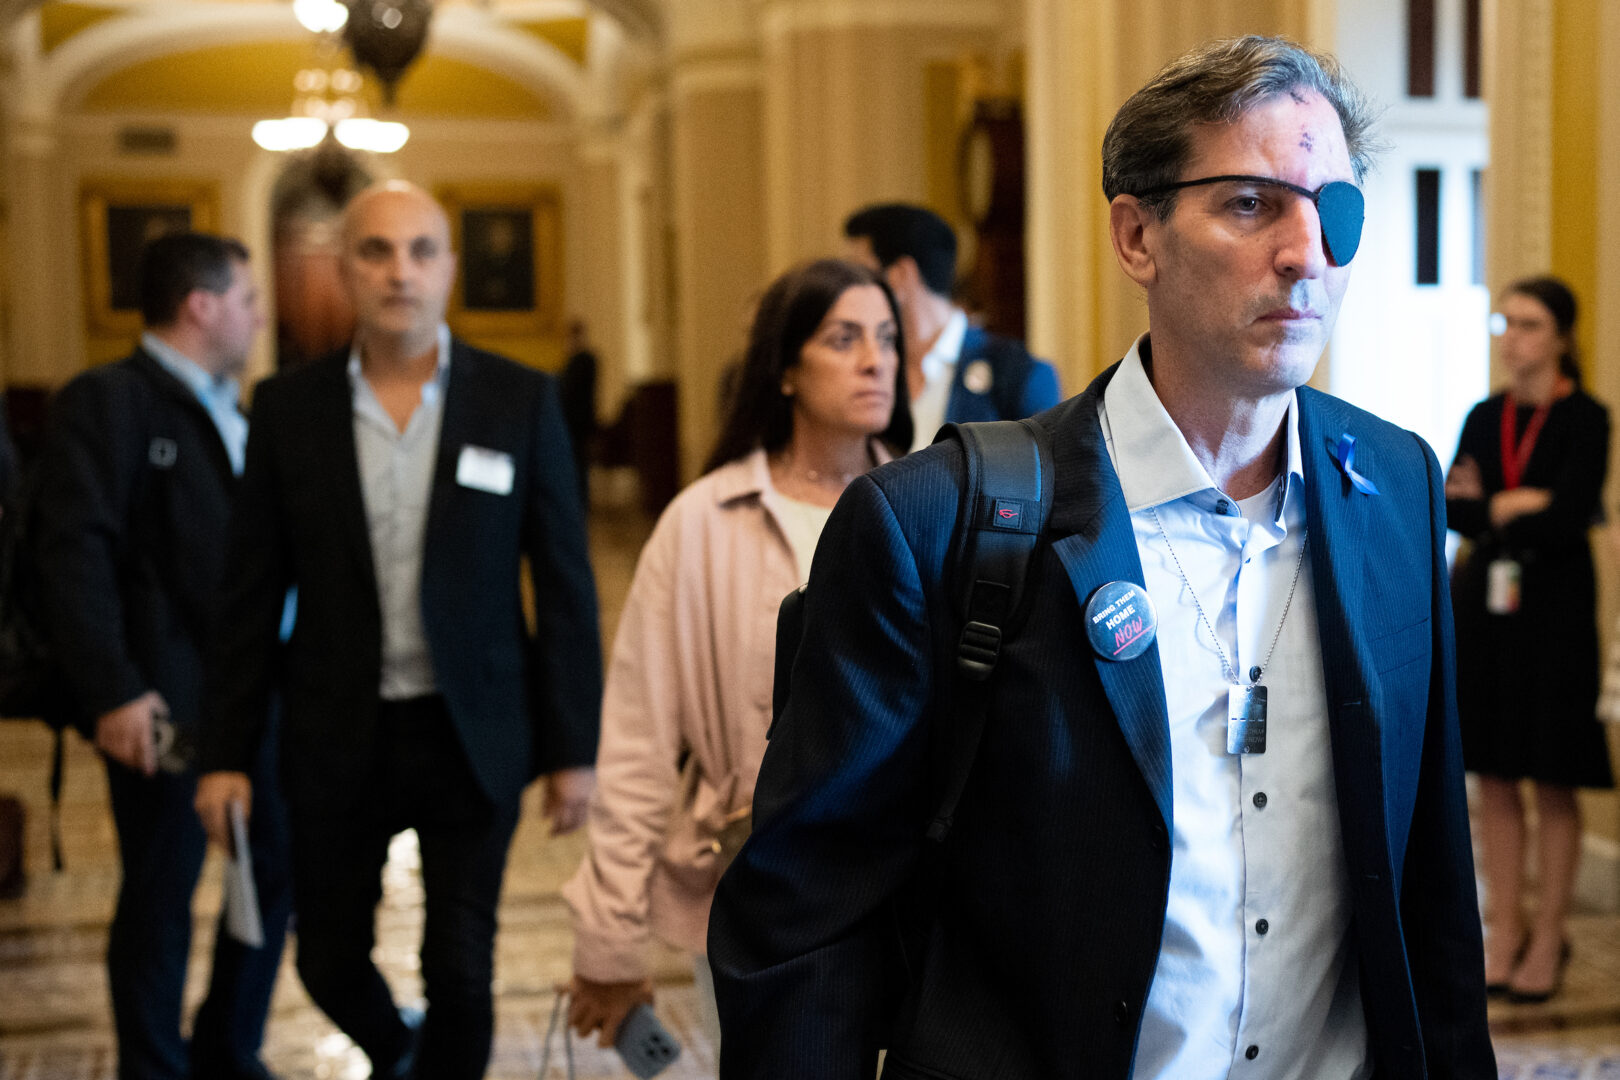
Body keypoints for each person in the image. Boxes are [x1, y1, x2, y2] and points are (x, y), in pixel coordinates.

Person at [710, 35, 1495, 1079]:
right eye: (1254, 204)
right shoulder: (935, 524)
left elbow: (1429, 882)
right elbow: (807, 924)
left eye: (1333, 209)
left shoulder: (1393, 487)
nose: (1308, 253)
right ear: (1138, 235)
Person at [193, 181, 602, 1080]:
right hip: (340, 728)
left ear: (450, 268)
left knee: (460, 969)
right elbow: (249, 597)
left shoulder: (517, 400)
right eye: (375, 251)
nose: (399, 272)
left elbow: (565, 586)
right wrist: (223, 752)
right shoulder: (288, 409)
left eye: (421, 250)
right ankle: (406, 1057)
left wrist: (576, 747)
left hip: (474, 732)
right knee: (327, 959)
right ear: (344, 268)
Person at [559, 259, 911, 1051]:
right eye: (843, 338)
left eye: (886, 338)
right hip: (752, 885)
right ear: (785, 369)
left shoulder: (937, 501)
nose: (874, 360)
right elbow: (640, 741)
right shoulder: (703, 523)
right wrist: (610, 937)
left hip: (907, 889)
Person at [33, 232, 291, 1080]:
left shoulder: (227, 402)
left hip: (253, 689)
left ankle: (226, 1050)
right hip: (162, 703)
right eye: (248, 301)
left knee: (274, 869)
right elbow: (73, 553)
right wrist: (113, 690)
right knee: (162, 892)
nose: (259, 319)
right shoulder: (106, 401)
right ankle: (153, 1067)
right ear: (202, 305)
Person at [1445, 275, 1611, 1004]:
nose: (1515, 338)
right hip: (1489, 606)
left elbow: (1575, 511)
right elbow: (1458, 509)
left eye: (1531, 324)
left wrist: (1502, 505)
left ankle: (1550, 933)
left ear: (1562, 337)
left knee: (1553, 772)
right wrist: (1513, 506)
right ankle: (1503, 928)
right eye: (1505, 323)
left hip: (1558, 607)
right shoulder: (1484, 417)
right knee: (1496, 774)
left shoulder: (1588, 419)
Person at [843, 202, 1060, 450]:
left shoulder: (1019, 374)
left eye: (861, 275)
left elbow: (1046, 478)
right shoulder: (867, 367)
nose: (850, 290)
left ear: (900, 275)